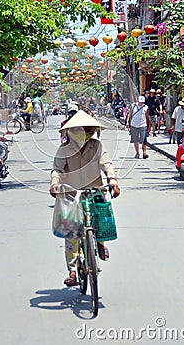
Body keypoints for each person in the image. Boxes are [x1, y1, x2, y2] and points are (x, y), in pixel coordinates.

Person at [50, 110, 120, 287]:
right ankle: (72, 271)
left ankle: (101, 244)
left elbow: (107, 164)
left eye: (87, 130)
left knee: (102, 220)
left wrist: (112, 181)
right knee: (71, 233)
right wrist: (54, 184)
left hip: (94, 191)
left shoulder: (97, 147)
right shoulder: (64, 149)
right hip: (72, 195)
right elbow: (57, 169)